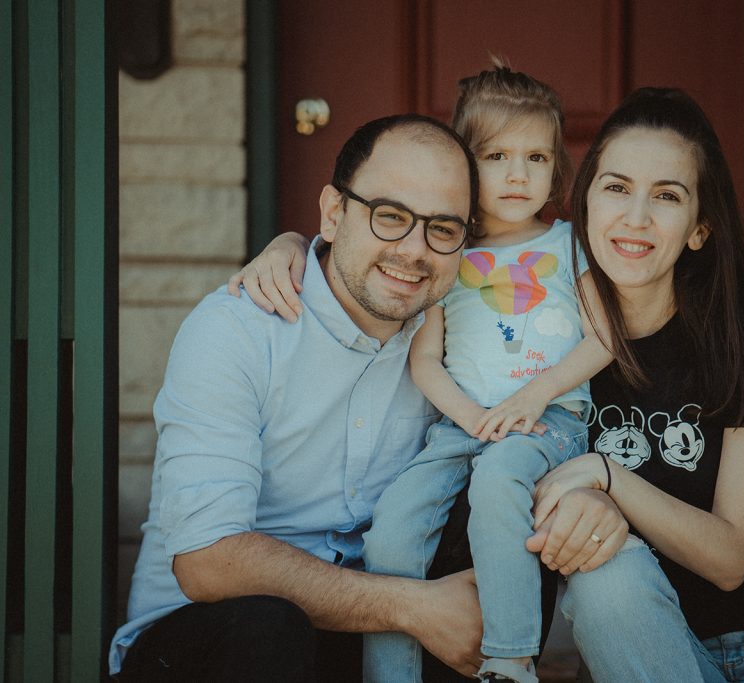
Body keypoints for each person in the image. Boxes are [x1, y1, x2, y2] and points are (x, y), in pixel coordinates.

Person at [243, 88, 744, 683]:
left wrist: (607, 478)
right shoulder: (544, 341)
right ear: (582, 204)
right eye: (616, 188)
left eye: (667, 195)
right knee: (604, 565)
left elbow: (730, 558)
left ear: (700, 226)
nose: (636, 216)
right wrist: (297, 246)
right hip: (654, 646)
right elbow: (390, 270)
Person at [234, 62, 613, 683]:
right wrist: (469, 417)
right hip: (461, 427)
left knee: (497, 488)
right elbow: (424, 359)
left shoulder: (570, 244)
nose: (519, 175)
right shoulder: (447, 250)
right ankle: (391, 674)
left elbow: (605, 339)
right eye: (496, 156)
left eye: (537, 158)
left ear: (555, 167)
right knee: (392, 533)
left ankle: (511, 660)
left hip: (548, 424)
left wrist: (534, 396)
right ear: (465, 169)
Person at [110, 114, 492, 682]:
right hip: (209, 639)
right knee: (272, 630)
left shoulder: (456, 336)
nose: (415, 250)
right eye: (390, 217)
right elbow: (209, 563)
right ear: (334, 214)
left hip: (357, 630)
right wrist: (415, 608)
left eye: (443, 228)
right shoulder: (238, 330)